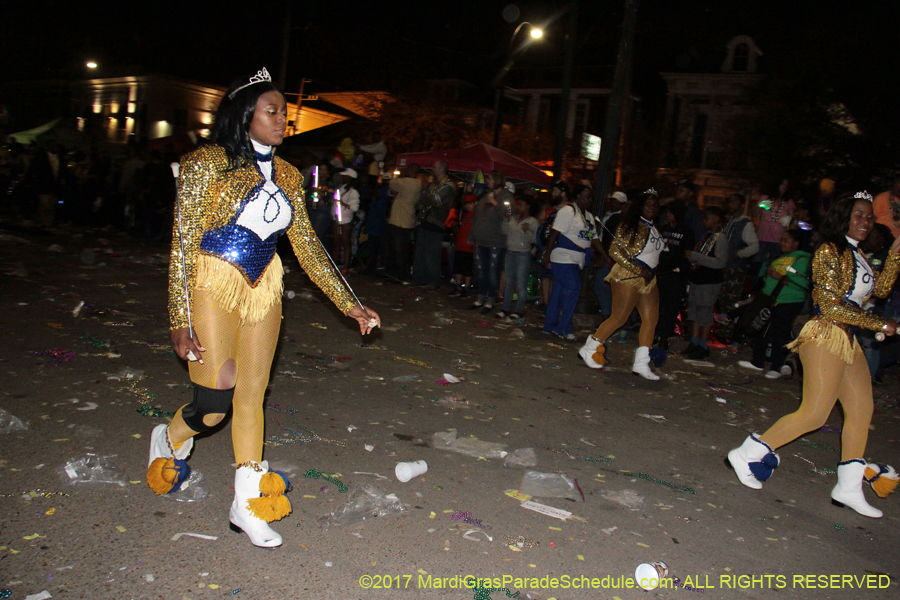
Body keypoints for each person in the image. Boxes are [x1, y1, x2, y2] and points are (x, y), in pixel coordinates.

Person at [148, 68, 381, 548]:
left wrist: (351, 305)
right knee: (214, 405)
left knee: (252, 397)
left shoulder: (291, 175)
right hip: (212, 280)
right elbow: (183, 242)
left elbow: (310, 247)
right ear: (244, 115)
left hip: (265, 287)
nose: (282, 121)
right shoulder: (205, 163)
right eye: (272, 112)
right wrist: (179, 317)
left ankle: (248, 506)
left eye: (284, 114)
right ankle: (167, 440)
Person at [727, 191, 900, 518]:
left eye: (869, 217)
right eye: (859, 215)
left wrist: (894, 256)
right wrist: (881, 323)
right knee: (816, 413)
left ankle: (848, 488)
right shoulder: (827, 251)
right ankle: (748, 452)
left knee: (862, 410)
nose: (865, 221)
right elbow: (831, 304)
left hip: (848, 339)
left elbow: (877, 291)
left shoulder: (858, 254)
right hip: (824, 335)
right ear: (844, 217)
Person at [578, 189, 662, 376]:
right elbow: (615, 251)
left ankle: (641, 363)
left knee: (651, 319)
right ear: (640, 205)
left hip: (648, 279)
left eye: (655, 204)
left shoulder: (654, 228)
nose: (652, 207)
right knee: (619, 317)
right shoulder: (630, 225)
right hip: (628, 275)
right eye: (649, 203)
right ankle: (589, 348)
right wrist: (639, 269)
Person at [736, 228, 810, 378]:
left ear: (796, 243)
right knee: (763, 329)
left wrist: (781, 277)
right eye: (782, 240)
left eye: (787, 240)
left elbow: (803, 282)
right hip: (771, 299)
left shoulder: (803, 259)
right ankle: (757, 361)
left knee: (779, 333)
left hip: (789, 301)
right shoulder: (780, 257)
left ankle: (776, 366)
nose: (783, 243)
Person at [543, 184, 605, 341]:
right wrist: (546, 255)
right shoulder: (568, 211)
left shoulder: (588, 217)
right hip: (563, 257)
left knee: (558, 292)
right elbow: (554, 234)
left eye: (591, 197)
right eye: (586, 196)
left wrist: (604, 256)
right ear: (577, 196)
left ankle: (550, 325)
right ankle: (564, 328)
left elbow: (593, 238)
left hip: (577, 259)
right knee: (574, 288)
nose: (590, 200)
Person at [682, 206, 728, 359]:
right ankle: (694, 343)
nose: (704, 221)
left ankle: (703, 345)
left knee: (704, 314)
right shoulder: (706, 236)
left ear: (715, 219)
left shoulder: (720, 237)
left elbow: (720, 262)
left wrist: (696, 256)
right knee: (694, 312)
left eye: (707, 218)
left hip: (709, 281)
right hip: (698, 279)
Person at [469, 170, 511, 312]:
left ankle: (491, 300)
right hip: (481, 240)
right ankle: (480, 297)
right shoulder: (485, 197)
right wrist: (472, 234)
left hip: (496, 242)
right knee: (481, 270)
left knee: (493, 272)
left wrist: (496, 204)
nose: (488, 181)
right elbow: (477, 216)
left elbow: (508, 215)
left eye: (490, 178)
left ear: (498, 180)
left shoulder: (506, 197)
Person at [413, 160, 455, 289]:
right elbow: (423, 199)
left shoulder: (449, 186)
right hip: (425, 221)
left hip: (436, 223)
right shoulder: (434, 185)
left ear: (441, 169)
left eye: (434, 167)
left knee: (432, 254)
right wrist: (429, 198)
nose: (432, 169)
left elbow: (436, 199)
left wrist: (428, 197)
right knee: (420, 252)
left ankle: (433, 280)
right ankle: (420, 278)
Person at [497, 196, 540, 319]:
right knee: (509, 283)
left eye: (521, 204)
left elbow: (536, 240)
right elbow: (504, 231)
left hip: (523, 254)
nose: (518, 207)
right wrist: (506, 219)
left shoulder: (533, 222)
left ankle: (518, 310)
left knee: (521, 283)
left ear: (528, 206)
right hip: (510, 252)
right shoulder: (514, 218)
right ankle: (505, 309)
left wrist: (527, 232)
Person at [718, 193, 759, 317]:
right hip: (725, 265)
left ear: (741, 205)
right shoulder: (730, 221)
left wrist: (739, 253)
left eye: (735, 202)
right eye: (730, 201)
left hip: (735, 268)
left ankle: (727, 329)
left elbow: (755, 246)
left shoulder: (745, 223)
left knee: (731, 299)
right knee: (722, 298)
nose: (731, 204)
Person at [592, 190, 627, 320]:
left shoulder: (617, 219)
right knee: (605, 287)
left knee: (601, 286)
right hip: (609, 256)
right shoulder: (610, 216)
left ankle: (608, 315)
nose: (614, 204)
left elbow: (610, 240)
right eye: (613, 201)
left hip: (609, 257)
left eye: (617, 202)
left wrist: (603, 256)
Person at [385, 164, 421, 283]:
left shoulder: (410, 182)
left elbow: (391, 183)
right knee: (399, 248)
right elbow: (393, 191)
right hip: (402, 220)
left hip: (401, 221)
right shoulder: (414, 184)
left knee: (400, 249)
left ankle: (402, 274)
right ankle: (397, 272)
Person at [447, 193, 477, 298]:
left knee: (467, 270)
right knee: (458, 268)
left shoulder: (476, 216)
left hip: (469, 248)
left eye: (470, 204)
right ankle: (458, 287)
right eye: (466, 204)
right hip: (460, 245)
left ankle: (467, 288)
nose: (467, 206)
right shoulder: (463, 216)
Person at [332, 168, 360, 272]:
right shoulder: (341, 188)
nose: (343, 177)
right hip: (337, 219)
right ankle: (334, 265)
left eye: (345, 176)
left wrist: (342, 203)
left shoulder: (354, 192)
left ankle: (346, 267)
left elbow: (355, 208)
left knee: (346, 243)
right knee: (336, 243)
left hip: (346, 220)